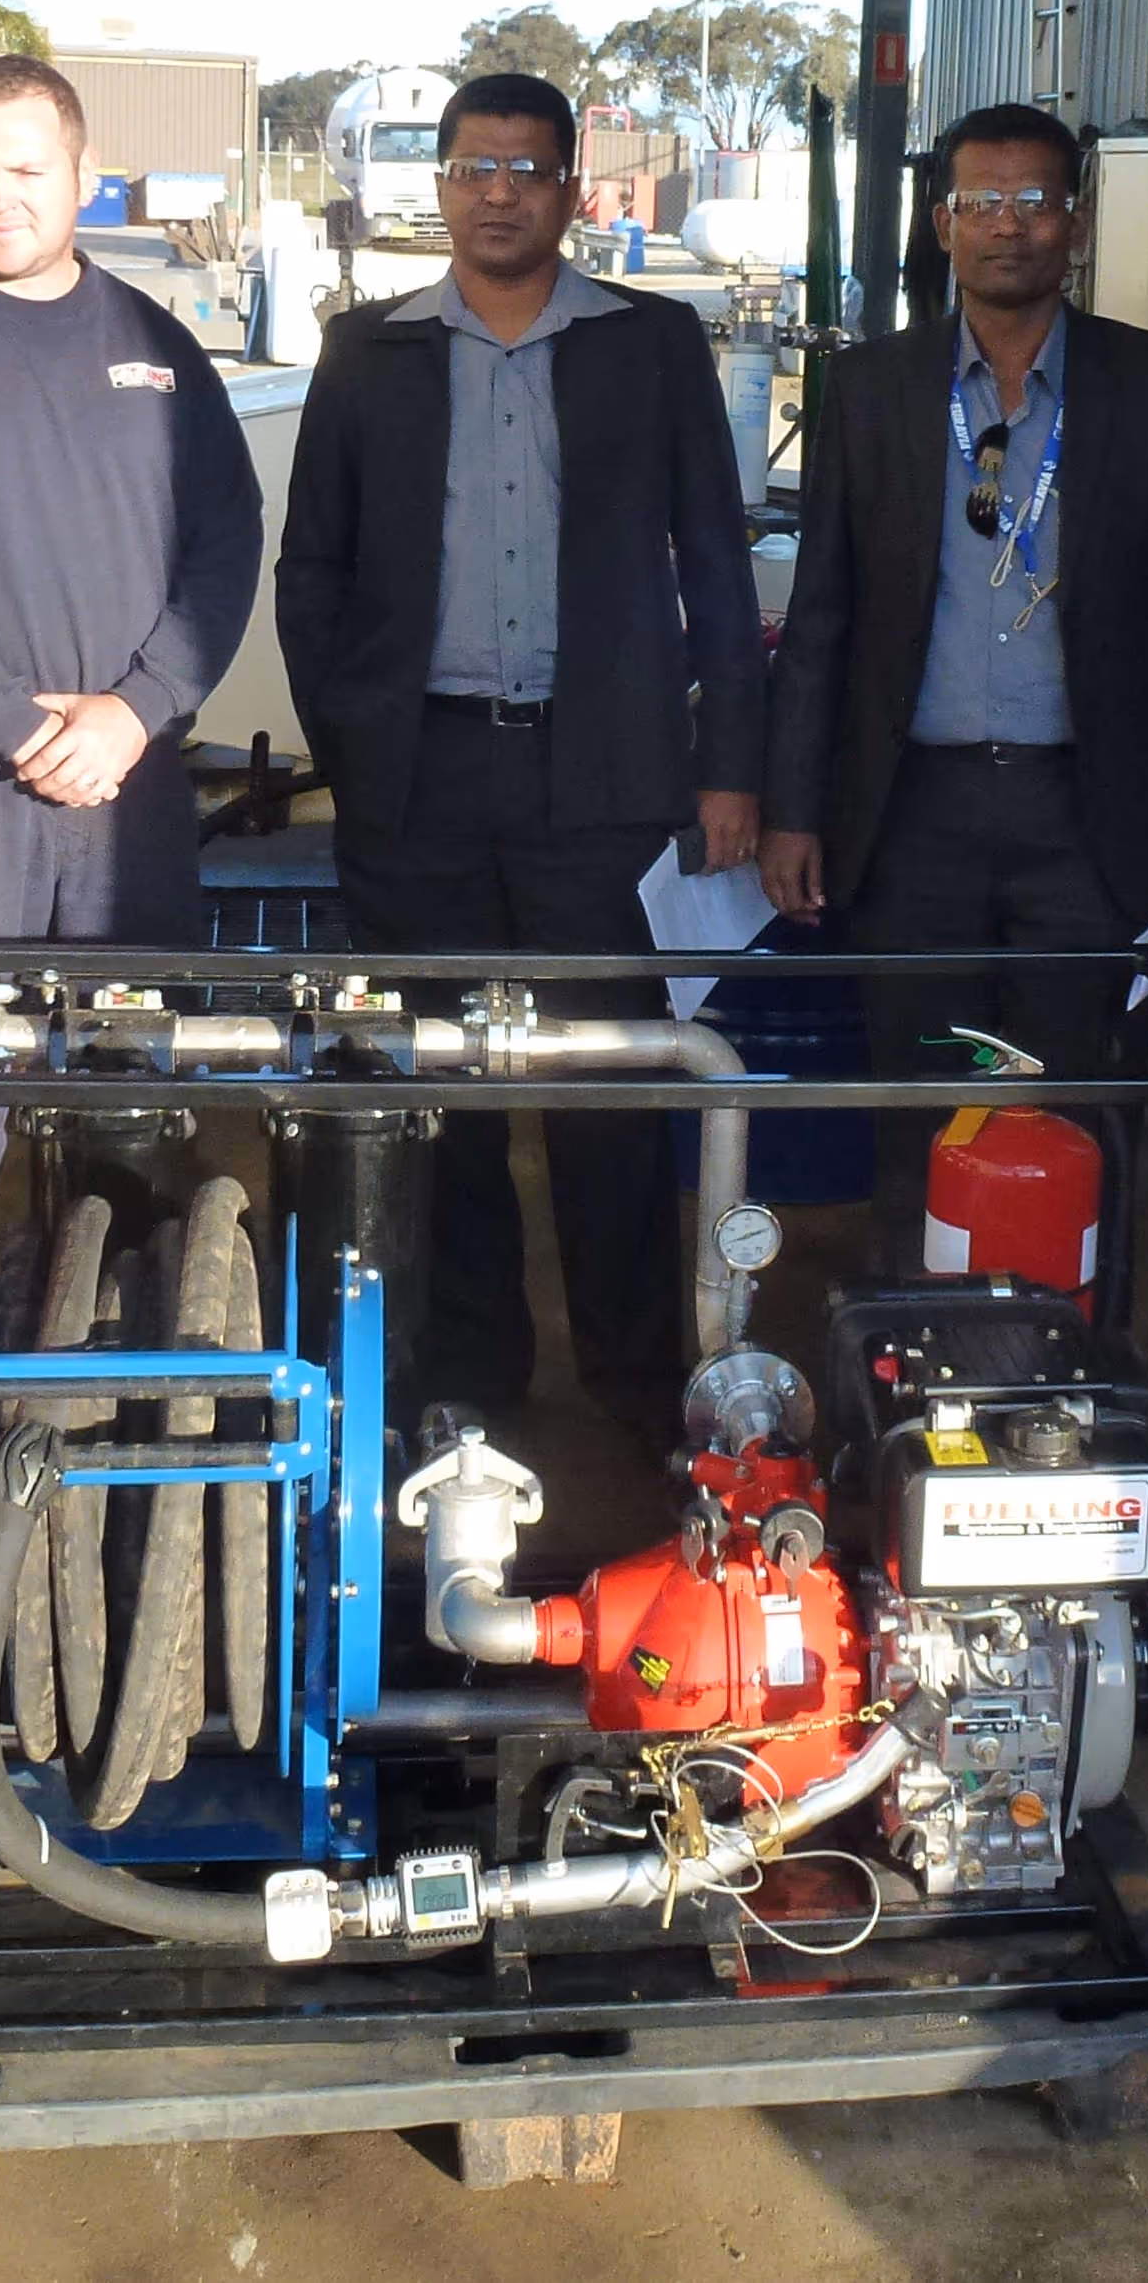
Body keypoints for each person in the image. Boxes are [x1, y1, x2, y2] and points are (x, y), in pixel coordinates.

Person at [275, 71, 763, 1439]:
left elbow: (717, 567)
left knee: (609, 1093)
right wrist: (355, 745)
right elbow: (310, 570)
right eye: (474, 169)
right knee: (446, 1097)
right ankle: (472, 1374)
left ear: (570, 191)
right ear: (440, 186)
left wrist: (727, 766)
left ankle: (630, 1383)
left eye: (527, 170)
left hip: (599, 788)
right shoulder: (366, 354)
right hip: (418, 787)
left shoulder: (653, 347)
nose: (499, 193)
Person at [760, 100, 1148, 1287]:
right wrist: (793, 805)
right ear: (942, 223)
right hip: (912, 813)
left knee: (1076, 1109)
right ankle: (916, 1360)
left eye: (1034, 201)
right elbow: (821, 613)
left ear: (1073, 223)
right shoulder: (869, 389)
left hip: (1094, 814)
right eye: (982, 203)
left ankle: (1076, 1363)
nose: (1007, 227)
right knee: (922, 1104)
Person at [0, 54, 261, 1301]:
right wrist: (5, 720)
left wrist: (139, 711)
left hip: (124, 793)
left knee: (129, 1091)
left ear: (84, 180)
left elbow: (226, 542)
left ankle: (125, 1364)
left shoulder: (155, 344)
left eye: (26, 171)